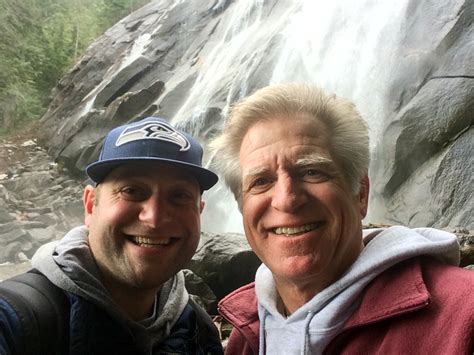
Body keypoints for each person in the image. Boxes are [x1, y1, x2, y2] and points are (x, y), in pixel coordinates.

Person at [211, 83, 474, 354]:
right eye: (261, 181)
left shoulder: (464, 314)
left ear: (360, 194)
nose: (286, 199)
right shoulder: (245, 336)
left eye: (311, 171)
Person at [0, 117, 224, 354]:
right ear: (90, 205)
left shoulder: (198, 330)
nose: (155, 218)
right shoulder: (15, 319)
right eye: (131, 191)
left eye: (179, 195)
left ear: (199, 211)